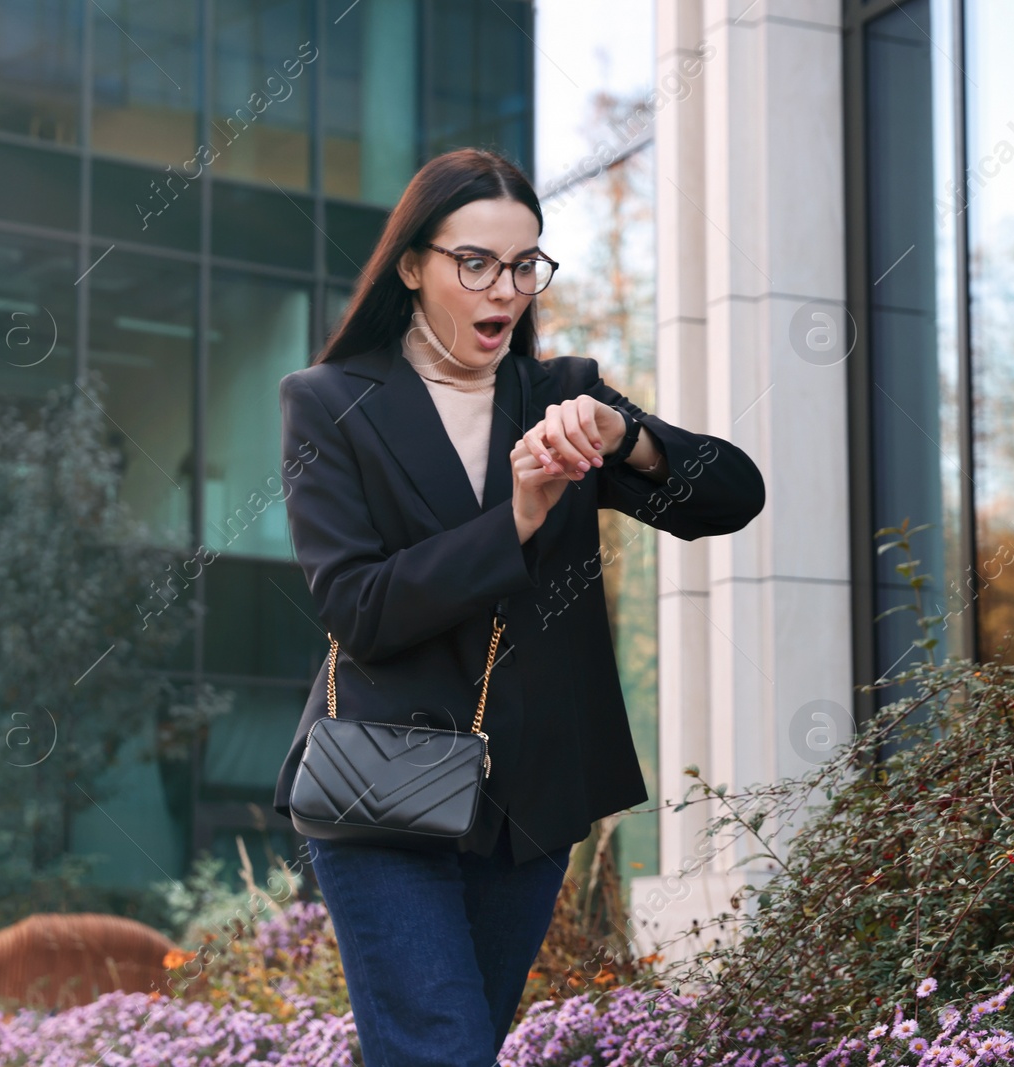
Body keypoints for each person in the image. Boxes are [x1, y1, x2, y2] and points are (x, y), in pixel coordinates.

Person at [272, 146, 766, 1066]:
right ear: (413, 266)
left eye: (524, 264)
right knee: (442, 1052)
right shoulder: (329, 403)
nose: (506, 290)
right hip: (382, 791)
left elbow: (734, 495)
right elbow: (361, 609)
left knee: (455, 1049)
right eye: (476, 263)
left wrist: (633, 436)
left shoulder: (561, 397)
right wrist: (521, 516)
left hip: (530, 799)